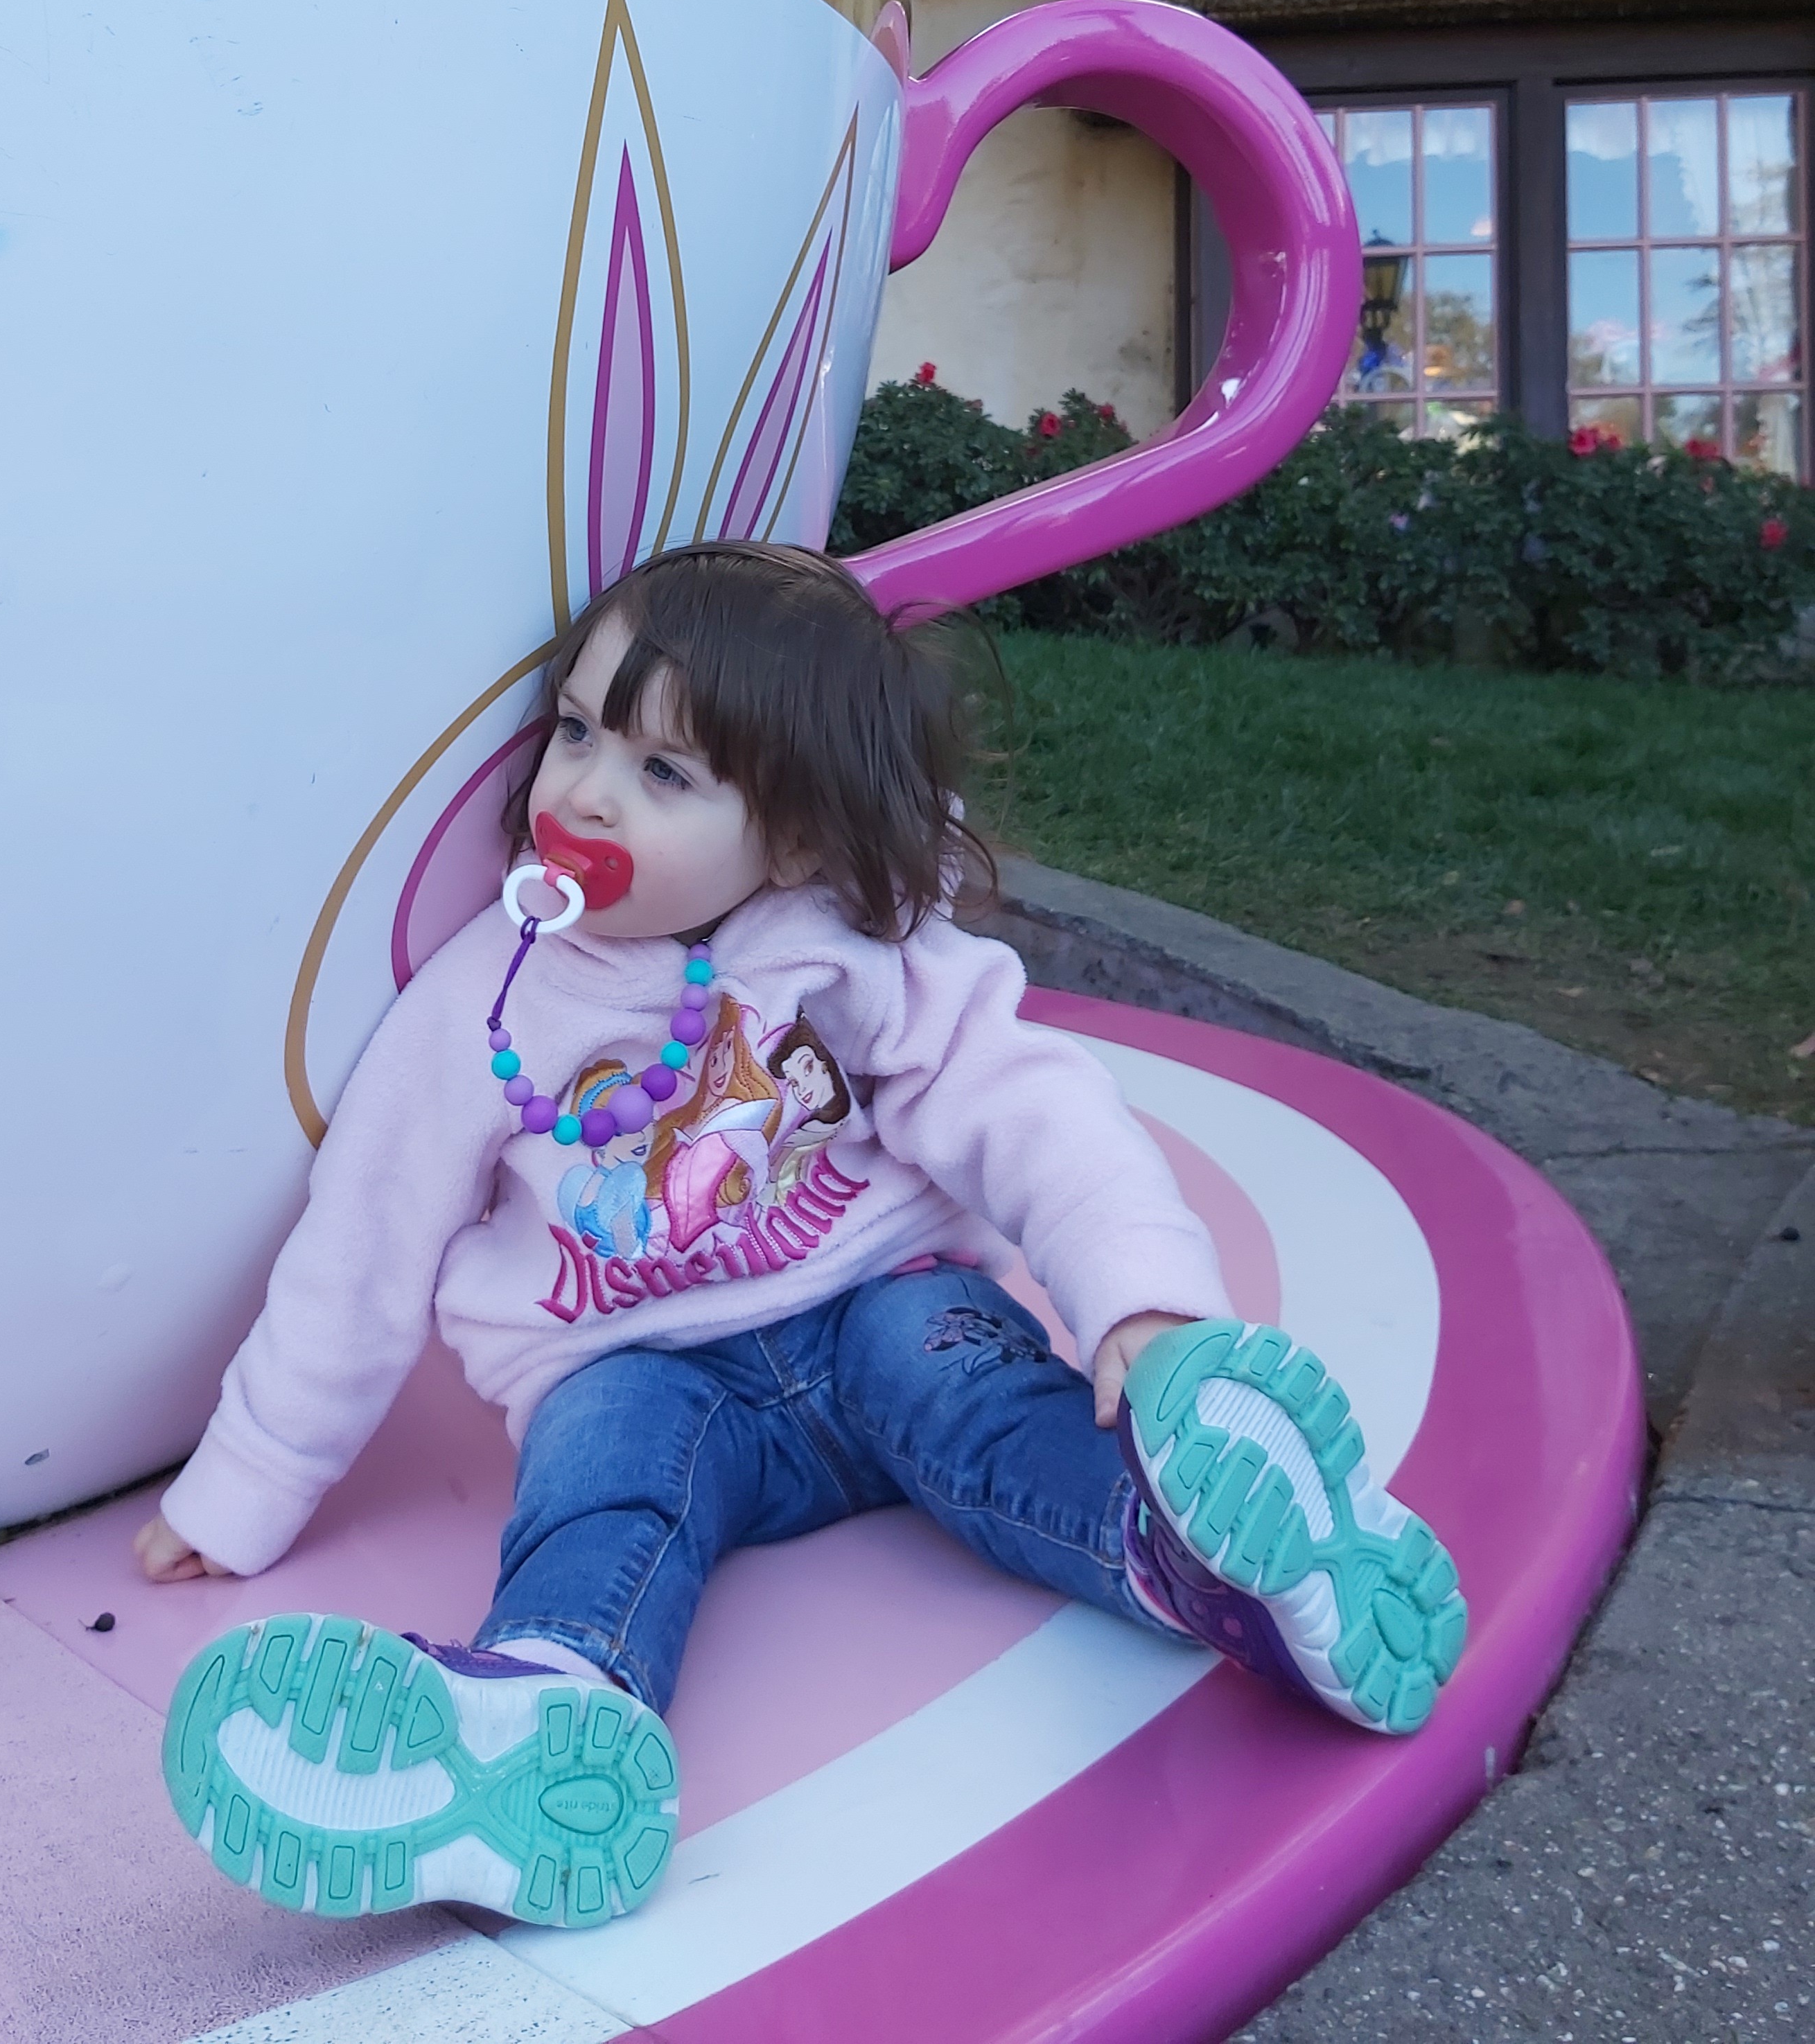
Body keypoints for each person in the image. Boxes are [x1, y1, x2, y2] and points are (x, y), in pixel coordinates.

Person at [141, 543, 1466, 1932]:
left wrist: (1144, 1296)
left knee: (993, 1419)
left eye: (666, 775)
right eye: (580, 733)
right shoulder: (490, 1001)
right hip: (633, 1363)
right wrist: (253, 1479)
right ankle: (540, 1722)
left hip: (880, 1305)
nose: (583, 792)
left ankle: (1227, 1560)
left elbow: (1030, 1110)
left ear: (791, 838)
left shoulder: (851, 951)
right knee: (603, 1494)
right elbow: (367, 1234)